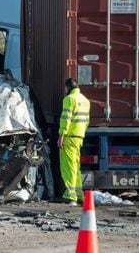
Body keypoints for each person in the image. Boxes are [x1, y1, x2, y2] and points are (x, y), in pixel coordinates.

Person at [57, 78, 90, 207]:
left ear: (67, 87)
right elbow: (86, 121)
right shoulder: (85, 100)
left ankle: (71, 195)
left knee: (68, 166)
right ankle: (79, 193)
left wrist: (61, 135)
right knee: (76, 166)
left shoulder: (69, 99)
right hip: (79, 136)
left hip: (69, 136)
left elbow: (66, 119)